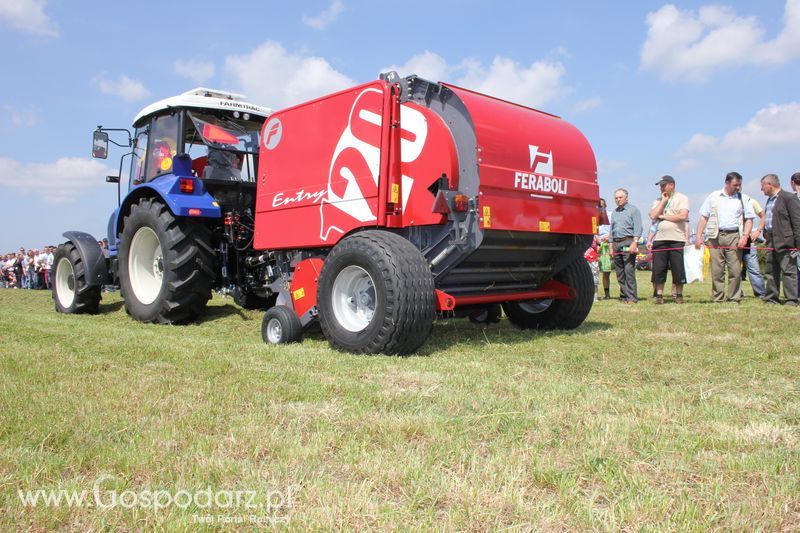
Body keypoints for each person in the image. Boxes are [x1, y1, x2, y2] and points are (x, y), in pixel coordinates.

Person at [695, 172, 756, 303]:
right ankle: (718, 298)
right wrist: (698, 236)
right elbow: (704, 217)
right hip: (715, 236)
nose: (738, 187)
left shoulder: (743, 199)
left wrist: (745, 237)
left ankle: (734, 297)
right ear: (727, 183)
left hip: (734, 236)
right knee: (717, 270)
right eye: (735, 185)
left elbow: (749, 219)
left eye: (739, 185)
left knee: (735, 270)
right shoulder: (714, 196)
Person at [648, 175, 690, 304]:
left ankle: (679, 295)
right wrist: (663, 202)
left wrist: (663, 216)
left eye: (663, 185)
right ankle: (659, 295)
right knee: (659, 269)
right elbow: (653, 216)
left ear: (671, 185)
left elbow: (683, 216)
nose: (661, 188)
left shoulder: (682, 198)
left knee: (678, 268)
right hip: (660, 239)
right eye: (660, 186)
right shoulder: (658, 200)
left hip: (677, 238)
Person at [761, 174, 800, 306]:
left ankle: (791, 299)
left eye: (762, 186)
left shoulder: (789, 198)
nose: (761, 189)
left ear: (769, 185)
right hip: (771, 241)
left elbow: (797, 222)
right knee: (771, 271)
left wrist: (797, 245)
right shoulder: (770, 200)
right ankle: (772, 298)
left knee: (789, 271)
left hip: (786, 242)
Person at [610, 188, 642, 304]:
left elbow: (638, 227)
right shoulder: (614, 212)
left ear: (626, 198)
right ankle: (624, 295)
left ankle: (632, 297)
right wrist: (610, 245)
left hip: (628, 242)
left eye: (620, 197)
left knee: (628, 270)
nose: (618, 200)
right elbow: (611, 230)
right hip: (616, 243)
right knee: (619, 272)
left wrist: (635, 242)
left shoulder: (633, 210)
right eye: (616, 198)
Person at [741, 194, 767, 298]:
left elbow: (763, 216)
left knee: (754, 269)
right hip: (733, 240)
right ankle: (737, 293)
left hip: (749, 242)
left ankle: (761, 293)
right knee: (734, 270)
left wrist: (758, 231)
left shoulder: (750, 201)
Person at [596, 198, 613, 299]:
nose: (600, 208)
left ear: (605, 206)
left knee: (607, 272)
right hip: (598, 245)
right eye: (598, 206)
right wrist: (599, 241)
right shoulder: (594, 216)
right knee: (596, 271)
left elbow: (615, 228)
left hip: (610, 244)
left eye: (601, 206)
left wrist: (609, 237)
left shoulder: (611, 215)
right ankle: (596, 294)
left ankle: (607, 295)